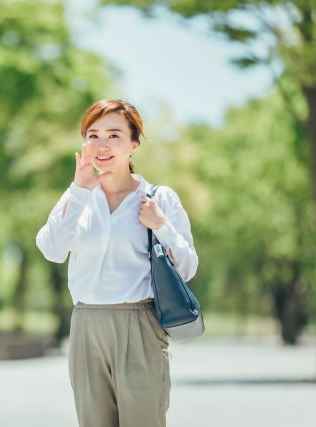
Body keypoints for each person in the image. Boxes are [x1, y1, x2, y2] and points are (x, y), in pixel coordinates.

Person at [36, 99, 198, 427]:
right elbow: (52, 249)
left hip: (139, 323)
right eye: (93, 135)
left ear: (133, 144)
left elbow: (188, 267)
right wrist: (79, 192)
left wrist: (161, 226)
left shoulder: (158, 198)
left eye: (113, 135)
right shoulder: (75, 197)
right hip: (86, 324)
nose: (102, 145)